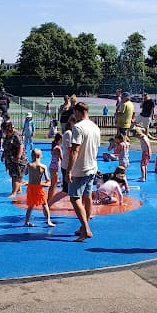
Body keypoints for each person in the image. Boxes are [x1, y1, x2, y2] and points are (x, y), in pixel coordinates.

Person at [66, 102, 101, 242]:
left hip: (81, 168)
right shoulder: (95, 127)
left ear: (78, 111)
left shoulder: (78, 127)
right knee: (87, 197)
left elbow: (75, 150)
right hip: (92, 167)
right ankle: (84, 227)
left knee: (74, 198)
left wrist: (69, 170)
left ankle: (85, 228)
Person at [23, 148, 55, 228]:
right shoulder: (43, 167)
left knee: (30, 205)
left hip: (31, 188)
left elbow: (25, 173)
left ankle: (26, 222)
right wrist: (47, 182)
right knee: (45, 204)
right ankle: (48, 220)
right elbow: (47, 179)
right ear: (40, 156)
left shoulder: (29, 165)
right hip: (39, 188)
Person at [1, 121, 26, 197]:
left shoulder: (15, 135)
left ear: (8, 128)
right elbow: (6, 146)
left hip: (18, 160)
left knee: (16, 176)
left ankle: (14, 192)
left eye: (3, 129)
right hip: (10, 159)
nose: (2, 131)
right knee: (13, 175)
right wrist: (3, 155)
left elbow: (21, 146)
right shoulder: (7, 135)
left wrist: (18, 157)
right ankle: (18, 189)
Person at [47, 132, 62, 205]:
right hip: (55, 167)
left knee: (52, 184)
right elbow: (62, 158)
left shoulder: (54, 146)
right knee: (54, 185)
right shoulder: (58, 148)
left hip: (52, 166)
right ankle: (51, 200)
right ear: (59, 140)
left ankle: (49, 198)